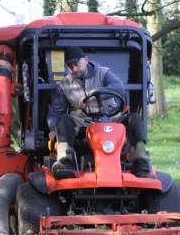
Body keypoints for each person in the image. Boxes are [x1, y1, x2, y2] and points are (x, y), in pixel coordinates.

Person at [47, 46, 152, 178]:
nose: (74, 69)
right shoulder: (64, 85)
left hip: (112, 118)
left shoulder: (103, 73)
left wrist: (94, 93)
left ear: (85, 60)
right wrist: (52, 128)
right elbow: (56, 111)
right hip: (84, 122)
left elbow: (118, 88)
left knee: (134, 119)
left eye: (76, 64)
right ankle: (65, 162)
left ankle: (140, 162)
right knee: (63, 121)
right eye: (70, 66)